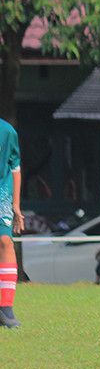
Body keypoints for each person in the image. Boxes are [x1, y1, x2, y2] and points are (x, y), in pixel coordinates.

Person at [0, 118, 23, 328]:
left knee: (5, 241)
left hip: (1, 194)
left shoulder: (7, 131)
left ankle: (6, 307)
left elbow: (15, 168)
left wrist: (15, 204)